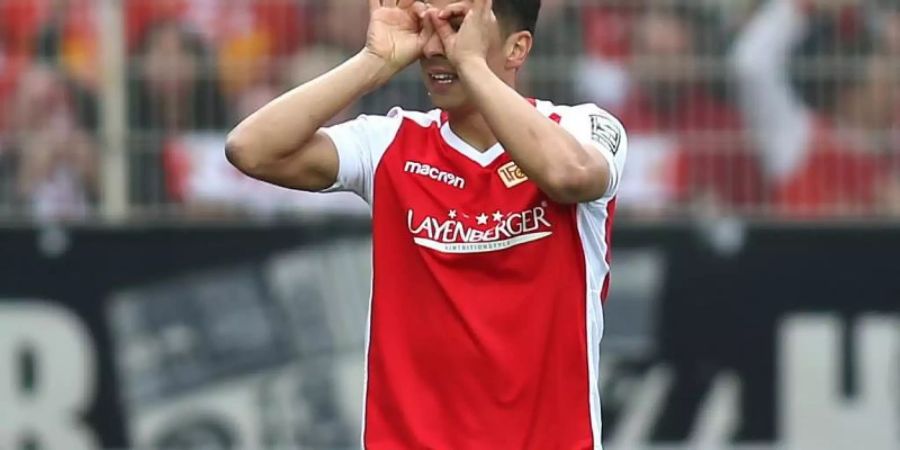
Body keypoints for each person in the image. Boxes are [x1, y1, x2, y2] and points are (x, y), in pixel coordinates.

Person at [226, 0, 627, 448]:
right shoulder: (389, 143)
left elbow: (570, 177)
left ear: (517, 48)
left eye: (458, 26)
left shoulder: (583, 128)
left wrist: (471, 65)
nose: (437, 48)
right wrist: (371, 63)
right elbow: (251, 148)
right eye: (427, 27)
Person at [732, 0, 900, 217]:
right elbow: (750, 66)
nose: (894, 93)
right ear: (850, 93)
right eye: (887, 84)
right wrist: (801, 5)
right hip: (807, 249)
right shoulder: (798, 136)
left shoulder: (891, 145)